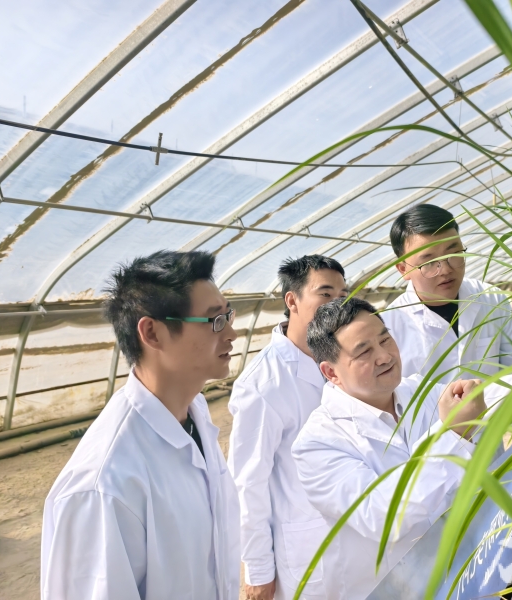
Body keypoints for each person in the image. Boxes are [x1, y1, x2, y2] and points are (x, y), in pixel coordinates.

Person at [41, 250, 240, 600]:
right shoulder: (105, 484)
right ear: (152, 333)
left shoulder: (193, 412)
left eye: (228, 315)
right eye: (214, 320)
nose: (232, 333)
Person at [292, 297, 512, 599]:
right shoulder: (317, 443)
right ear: (331, 372)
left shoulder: (417, 390)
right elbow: (385, 517)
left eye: (385, 339)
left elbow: (489, 396)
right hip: (398, 590)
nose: (384, 356)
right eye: (364, 351)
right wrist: (452, 434)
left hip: (468, 568)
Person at [228, 255, 349, 600]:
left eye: (343, 296)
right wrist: (258, 570)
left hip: (355, 533)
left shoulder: (343, 358)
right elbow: (247, 484)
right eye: (325, 294)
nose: (337, 305)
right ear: (292, 301)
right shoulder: (263, 384)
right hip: (307, 546)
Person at [381, 204, 512, 381]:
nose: (446, 270)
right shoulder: (389, 325)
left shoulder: (490, 297)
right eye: (429, 262)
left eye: (454, 254)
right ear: (404, 269)